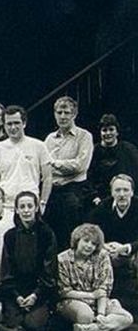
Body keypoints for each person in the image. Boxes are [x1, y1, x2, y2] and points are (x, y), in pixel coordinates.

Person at [57, 223, 134, 331]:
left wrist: (101, 314)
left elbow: (103, 288)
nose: (89, 246)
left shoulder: (102, 256)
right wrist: (91, 295)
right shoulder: (62, 259)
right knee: (85, 316)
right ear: (77, 240)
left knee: (127, 318)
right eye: (86, 241)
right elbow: (64, 292)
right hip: (73, 300)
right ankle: (95, 324)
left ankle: (88, 328)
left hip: (99, 301)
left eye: (93, 244)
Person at [0, 191, 57, 331]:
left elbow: (49, 270)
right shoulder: (10, 236)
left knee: (34, 325)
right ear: (17, 210)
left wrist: (35, 295)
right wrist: (16, 296)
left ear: (36, 208)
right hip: (16, 293)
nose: (26, 210)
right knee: (13, 326)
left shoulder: (47, 233)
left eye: (29, 206)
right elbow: (7, 269)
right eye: (22, 207)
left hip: (38, 293)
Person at [44, 96, 93, 249]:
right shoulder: (50, 138)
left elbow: (80, 166)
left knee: (70, 236)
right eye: (59, 112)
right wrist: (61, 166)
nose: (63, 116)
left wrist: (55, 163)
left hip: (73, 191)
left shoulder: (84, 136)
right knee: (51, 236)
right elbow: (44, 167)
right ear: (54, 114)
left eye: (67, 112)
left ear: (74, 114)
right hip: (52, 191)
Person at [0, 105, 52, 211]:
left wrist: (43, 202)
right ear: (4, 125)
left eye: (16, 123)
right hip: (6, 205)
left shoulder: (39, 146)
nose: (13, 127)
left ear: (24, 123)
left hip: (30, 205)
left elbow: (47, 178)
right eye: (9, 124)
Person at [87, 174, 138, 302]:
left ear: (132, 192)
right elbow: (90, 230)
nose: (122, 194)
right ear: (111, 192)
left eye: (126, 190)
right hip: (109, 251)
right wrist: (103, 244)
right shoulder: (102, 208)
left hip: (134, 251)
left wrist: (127, 247)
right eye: (117, 190)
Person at [88, 114, 138, 206]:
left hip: (125, 195)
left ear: (117, 132)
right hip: (100, 198)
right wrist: (94, 196)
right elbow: (88, 176)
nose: (108, 133)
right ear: (100, 132)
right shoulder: (93, 151)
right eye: (104, 130)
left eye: (111, 129)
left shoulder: (129, 149)